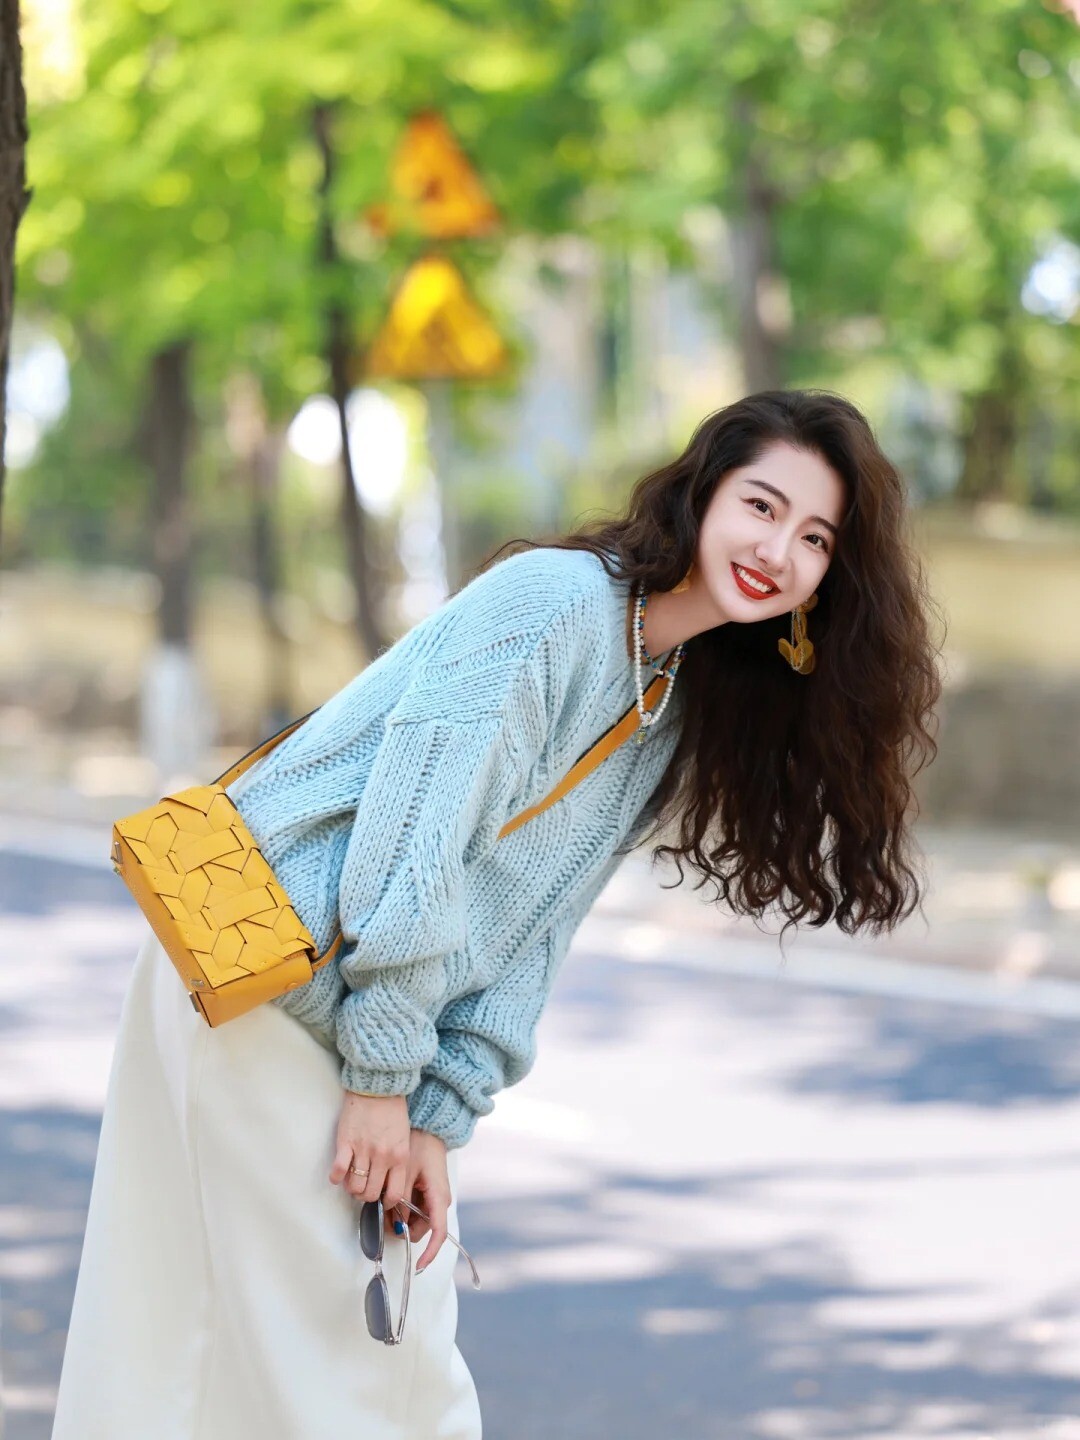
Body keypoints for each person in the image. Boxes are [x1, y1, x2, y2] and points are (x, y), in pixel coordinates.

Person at [51, 389, 939, 1438]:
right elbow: (414, 833)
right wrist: (387, 1084)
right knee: (327, 1351)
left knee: (299, 1347)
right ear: (702, 492)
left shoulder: (667, 702)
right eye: (761, 505)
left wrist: (438, 1109)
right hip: (269, 982)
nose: (776, 548)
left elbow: (534, 932)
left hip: (341, 1005)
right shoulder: (554, 606)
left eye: (814, 537)